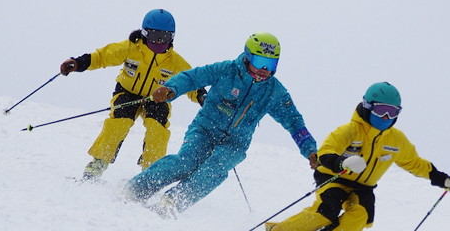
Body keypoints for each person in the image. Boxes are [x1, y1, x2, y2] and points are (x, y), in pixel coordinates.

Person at [122, 32, 318, 216]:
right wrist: (170, 88)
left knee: (214, 171)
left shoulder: (274, 92)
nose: (264, 70)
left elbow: (295, 122)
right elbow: (192, 78)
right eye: (260, 62)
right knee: (186, 163)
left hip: (234, 143)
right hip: (204, 130)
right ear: (247, 57)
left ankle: (172, 203)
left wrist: (310, 149)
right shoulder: (226, 70)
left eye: (271, 64)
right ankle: (135, 190)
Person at [259, 82, 450, 231]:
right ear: (367, 106)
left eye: (393, 112)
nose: (386, 116)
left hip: (363, 186)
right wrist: (342, 164)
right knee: (327, 209)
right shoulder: (349, 130)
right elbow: (325, 153)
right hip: (335, 177)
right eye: (381, 110)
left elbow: (414, 163)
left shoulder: (396, 140)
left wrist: (441, 179)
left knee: (362, 213)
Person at [59, 9, 205, 180]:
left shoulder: (175, 61)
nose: (158, 40)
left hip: (156, 98)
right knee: (118, 123)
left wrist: (202, 96)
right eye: (154, 35)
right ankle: (97, 164)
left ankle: (150, 173)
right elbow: (103, 56)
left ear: (172, 38)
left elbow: (190, 81)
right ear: (144, 33)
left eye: (164, 37)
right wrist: (78, 63)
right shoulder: (130, 49)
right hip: (127, 92)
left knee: (158, 130)